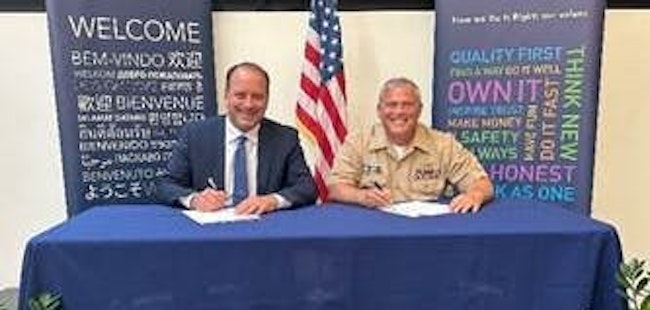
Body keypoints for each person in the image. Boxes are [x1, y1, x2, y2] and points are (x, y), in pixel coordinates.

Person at [156, 62, 317, 214]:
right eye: (240, 95)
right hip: (211, 231)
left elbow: (307, 188)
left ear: (267, 99)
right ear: (226, 96)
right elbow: (166, 185)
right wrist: (195, 200)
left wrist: (273, 200)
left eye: (257, 97)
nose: (248, 104)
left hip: (265, 228)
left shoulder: (285, 138)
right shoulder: (195, 134)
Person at [328, 77, 494, 213]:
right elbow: (336, 187)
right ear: (379, 110)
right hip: (373, 228)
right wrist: (361, 196)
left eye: (407, 105)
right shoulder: (358, 142)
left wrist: (474, 195)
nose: (399, 112)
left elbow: (482, 183)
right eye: (391, 105)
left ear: (419, 110)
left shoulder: (443, 144)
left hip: (426, 231)